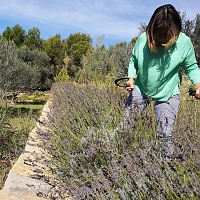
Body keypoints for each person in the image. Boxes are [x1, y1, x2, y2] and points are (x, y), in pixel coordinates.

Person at [124, 4, 200, 160]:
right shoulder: (142, 40)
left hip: (168, 92)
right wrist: (131, 78)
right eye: (159, 37)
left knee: (165, 134)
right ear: (152, 29)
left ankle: (166, 169)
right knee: (126, 125)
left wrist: (198, 84)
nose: (161, 42)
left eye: (167, 39)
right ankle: (120, 157)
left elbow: (191, 67)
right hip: (141, 88)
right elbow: (134, 60)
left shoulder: (184, 42)